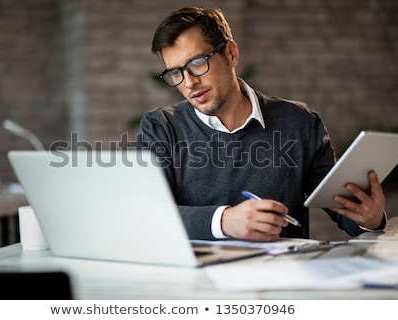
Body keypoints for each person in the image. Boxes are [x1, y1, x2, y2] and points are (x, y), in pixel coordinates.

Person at [136, 6, 386, 241]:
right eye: (176, 72)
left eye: (198, 63)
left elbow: (347, 213)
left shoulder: (299, 122)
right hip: (201, 283)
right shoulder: (161, 127)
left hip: (281, 277)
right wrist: (223, 221)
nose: (189, 83)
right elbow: (147, 215)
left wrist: (370, 219)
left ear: (231, 53)